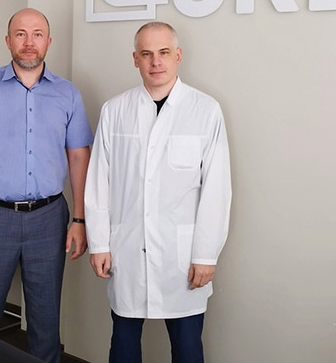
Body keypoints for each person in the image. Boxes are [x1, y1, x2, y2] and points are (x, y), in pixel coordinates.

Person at [0, 8, 93, 363]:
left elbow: (79, 157)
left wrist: (79, 219)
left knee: (45, 319)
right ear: (8, 40)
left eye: (37, 34)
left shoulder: (68, 94)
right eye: (21, 34)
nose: (29, 42)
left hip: (49, 218)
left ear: (48, 41)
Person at [84, 22, 232, 362]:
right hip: (127, 249)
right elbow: (99, 180)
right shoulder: (115, 110)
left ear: (178, 55)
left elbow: (217, 189)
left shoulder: (205, 110)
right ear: (135, 59)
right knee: (123, 343)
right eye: (147, 54)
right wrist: (100, 243)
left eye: (164, 52)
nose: (156, 62)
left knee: (187, 346)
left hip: (182, 256)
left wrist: (206, 254)